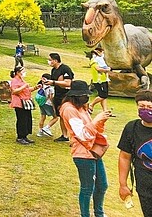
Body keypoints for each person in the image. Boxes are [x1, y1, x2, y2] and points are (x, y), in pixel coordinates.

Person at [59, 80, 112, 217]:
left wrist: (101, 120)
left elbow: (93, 129)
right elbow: (82, 134)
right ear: (74, 95)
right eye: (83, 95)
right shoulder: (69, 109)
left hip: (93, 151)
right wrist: (96, 120)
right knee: (87, 188)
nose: (86, 98)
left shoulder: (81, 107)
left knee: (102, 185)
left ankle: (99, 213)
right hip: (82, 154)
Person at [117, 90, 152, 216]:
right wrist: (123, 184)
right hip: (145, 188)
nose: (145, 110)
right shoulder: (131, 128)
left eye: (150, 107)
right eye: (142, 106)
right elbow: (124, 157)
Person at [43, 52, 74, 142]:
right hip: (58, 95)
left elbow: (68, 83)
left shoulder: (65, 69)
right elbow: (54, 82)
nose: (48, 62)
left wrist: (53, 82)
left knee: (67, 116)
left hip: (66, 95)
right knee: (61, 115)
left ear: (55, 60)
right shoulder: (53, 70)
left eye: (50, 60)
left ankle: (73, 136)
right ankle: (64, 135)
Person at [9, 65, 39, 145]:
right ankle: (20, 137)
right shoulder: (14, 80)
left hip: (25, 103)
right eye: (23, 71)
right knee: (21, 119)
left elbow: (26, 90)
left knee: (27, 119)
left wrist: (35, 87)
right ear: (18, 73)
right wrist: (24, 86)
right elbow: (14, 91)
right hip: (19, 103)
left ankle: (25, 136)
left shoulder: (21, 80)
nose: (24, 73)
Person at [88, 47, 111, 113]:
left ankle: (105, 110)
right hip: (98, 80)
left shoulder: (100, 60)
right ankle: (91, 105)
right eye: (102, 52)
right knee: (102, 95)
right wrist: (107, 70)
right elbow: (98, 69)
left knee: (104, 96)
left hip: (103, 79)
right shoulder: (94, 61)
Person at [36, 73, 58, 137]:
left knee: (43, 117)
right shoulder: (51, 88)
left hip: (42, 103)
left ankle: (40, 131)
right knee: (55, 117)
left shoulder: (41, 85)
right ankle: (46, 128)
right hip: (48, 103)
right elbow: (51, 98)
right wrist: (54, 106)